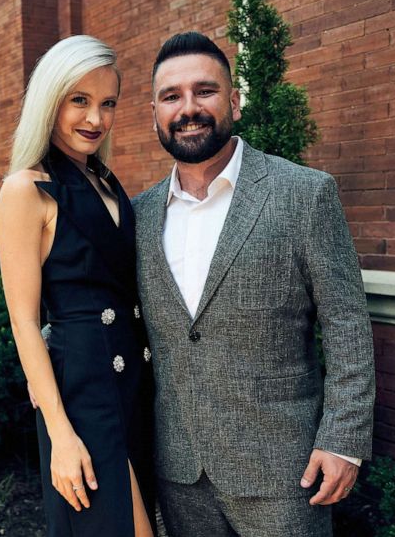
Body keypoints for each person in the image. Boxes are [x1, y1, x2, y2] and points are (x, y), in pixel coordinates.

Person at [132, 32, 375, 536]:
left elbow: (347, 324)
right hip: (179, 470)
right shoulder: (137, 216)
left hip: (284, 472)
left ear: (234, 101)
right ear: (154, 111)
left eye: (205, 91)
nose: (188, 108)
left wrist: (343, 440)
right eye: (171, 96)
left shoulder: (304, 195)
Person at [0, 35, 156, 537]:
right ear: (52, 99)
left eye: (107, 103)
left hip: (134, 385)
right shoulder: (27, 188)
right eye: (79, 101)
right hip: (84, 396)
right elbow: (24, 322)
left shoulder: (106, 182)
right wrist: (60, 435)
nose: (95, 119)